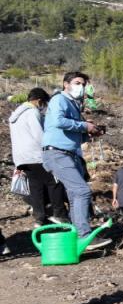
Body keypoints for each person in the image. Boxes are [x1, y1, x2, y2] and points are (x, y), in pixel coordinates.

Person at [41, 71, 110, 250]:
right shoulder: (59, 100)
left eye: (84, 84)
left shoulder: (73, 105)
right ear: (66, 84)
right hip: (58, 153)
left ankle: (76, 238)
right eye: (78, 83)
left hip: (70, 153)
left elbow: (71, 134)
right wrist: (84, 125)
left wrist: (89, 132)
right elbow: (58, 121)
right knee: (82, 192)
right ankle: (84, 236)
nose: (82, 87)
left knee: (74, 195)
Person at [8, 87, 69, 226]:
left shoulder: (15, 115)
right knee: (55, 181)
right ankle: (59, 214)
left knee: (36, 187)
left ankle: (39, 218)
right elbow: (39, 135)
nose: (43, 108)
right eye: (44, 104)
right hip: (35, 155)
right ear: (39, 101)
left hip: (21, 157)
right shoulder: (32, 112)